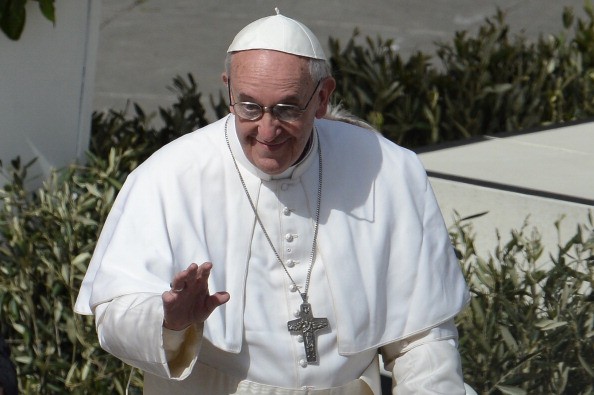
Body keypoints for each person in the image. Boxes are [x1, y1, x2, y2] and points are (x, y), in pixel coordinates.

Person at [75, 9, 470, 394]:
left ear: (322, 97)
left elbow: (423, 338)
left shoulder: (387, 170)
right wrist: (168, 321)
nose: (267, 129)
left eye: (286, 108)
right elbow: (112, 313)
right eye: (249, 106)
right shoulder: (167, 177)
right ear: (228, 89)